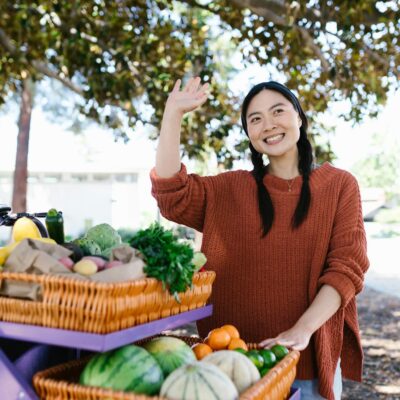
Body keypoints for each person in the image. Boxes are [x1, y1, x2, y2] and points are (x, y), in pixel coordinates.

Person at [150, 77, 369, 400]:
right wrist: (173, 114)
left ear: (299, 118)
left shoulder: (339, 185)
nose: (268, 124)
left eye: (278, 111)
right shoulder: (229, 189)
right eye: (256, 119)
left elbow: (347, 269)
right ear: (250, 136)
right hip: (229, 368)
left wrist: (302, 331)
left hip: (304, 364)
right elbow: (172, 193)